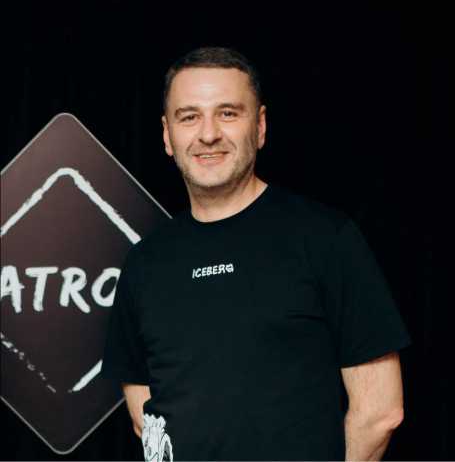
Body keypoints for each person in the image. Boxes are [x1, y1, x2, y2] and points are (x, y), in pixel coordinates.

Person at [102, 46, 412, 461]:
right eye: (189, 116)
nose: (208, 134)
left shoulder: (324, 239)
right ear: (167, 135)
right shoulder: (145, 262)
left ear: (260, 126)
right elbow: (147, 416)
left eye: (228, 113)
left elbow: (380, 412)